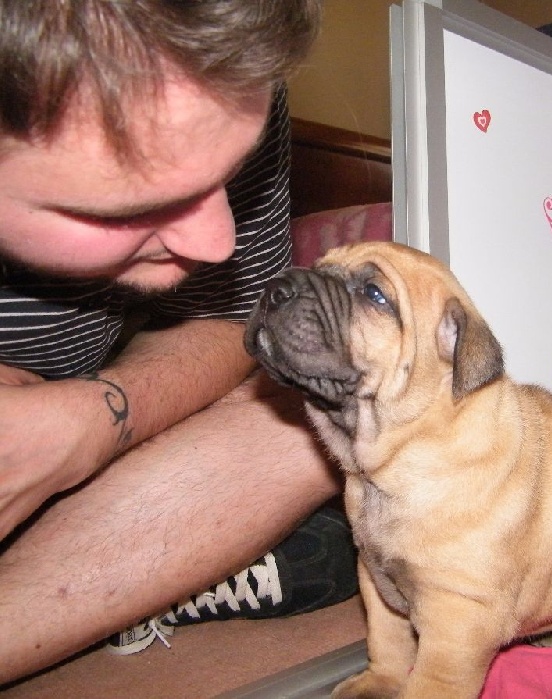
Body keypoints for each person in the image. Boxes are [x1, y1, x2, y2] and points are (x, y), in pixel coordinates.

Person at [0, 0, 358, 683]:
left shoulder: (216, 78)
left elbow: (229, 319)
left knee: (328, 415)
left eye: (229, 172)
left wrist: (98, 417)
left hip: (77, 403)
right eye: (129, 206)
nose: (215, 241)